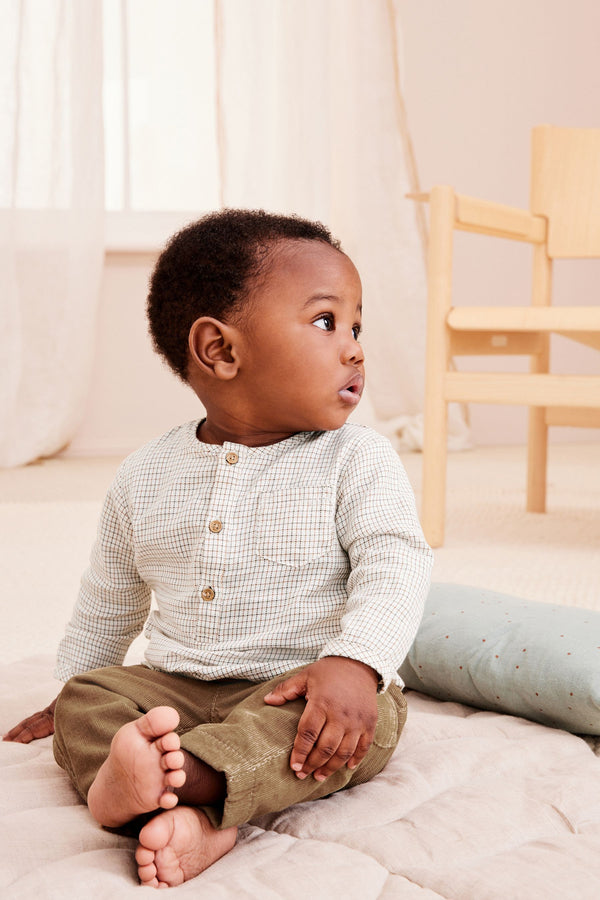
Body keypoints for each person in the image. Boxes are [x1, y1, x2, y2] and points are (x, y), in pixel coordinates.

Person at [4, 209, 433, 888]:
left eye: (357, 328)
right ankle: (163, 795)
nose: (354, 348)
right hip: (173, 684)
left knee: (363, 724)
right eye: (327, 323)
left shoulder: (359, 459)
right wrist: (70, 690)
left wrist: (355, 663)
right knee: (89, 702)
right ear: (220, 351)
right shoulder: (145, 473)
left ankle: (187, 783)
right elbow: (109, 596)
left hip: (300, 686)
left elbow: (396, 564)